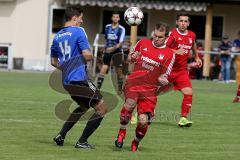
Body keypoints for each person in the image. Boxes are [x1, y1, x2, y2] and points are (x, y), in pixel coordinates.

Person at [51, 6, 108, 149]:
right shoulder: (78, 31)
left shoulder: (57, 37)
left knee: (83, 106)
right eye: (81, 18)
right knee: (102, 109)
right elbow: (87, 55)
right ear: (74, 18)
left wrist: (67, 67)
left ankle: (61, 135)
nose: (82, 21)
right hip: (79, 79)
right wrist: (97, 55)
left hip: (66, 81)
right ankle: (82, 142)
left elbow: (53, 61)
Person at [115, 23, 175, 152]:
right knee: (129, 105)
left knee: (143, 121)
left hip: (150, 90)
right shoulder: (142, 43)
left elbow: (166, 74)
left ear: (166, 37)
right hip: (134, 83)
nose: (156, 39)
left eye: (160, 37)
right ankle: (121, 132)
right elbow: (130, 59)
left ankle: (136, 141)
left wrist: (163, 79)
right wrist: (132, 57)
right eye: (155, 35)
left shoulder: (169, 53)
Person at [166, 13, 202, 127]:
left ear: (188, 23)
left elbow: (193, 45)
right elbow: (164, 48)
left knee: (189, 93)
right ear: (177, 22)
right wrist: (175, 51)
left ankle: (183, 118)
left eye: (185, 21)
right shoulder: (173, 34)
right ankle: (140, 114)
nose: (183, 23)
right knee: (151, 93)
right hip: (167, 70)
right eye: (181, 21)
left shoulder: (191, 35)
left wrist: (197, 57)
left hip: (181, 71)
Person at [96, 12, 126, 94]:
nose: (116, 18)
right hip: (108, 50)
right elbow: (107, 39)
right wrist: (105, 48)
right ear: (112, 18)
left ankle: (120, 89)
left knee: (118, 70)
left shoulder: (121, 29)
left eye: (117, 17)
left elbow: (120, 43)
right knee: (104, 66)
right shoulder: (107, 27)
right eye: (114, 17)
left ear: (119, 19)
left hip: (117, 51)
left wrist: (111, 49)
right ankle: (97, 88)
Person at [232, 31, 240, 102]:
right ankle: (237, 97)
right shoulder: (236, 41)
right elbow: (233, 49)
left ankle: (237, 97)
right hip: (238, 58)